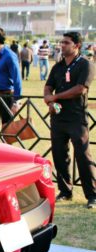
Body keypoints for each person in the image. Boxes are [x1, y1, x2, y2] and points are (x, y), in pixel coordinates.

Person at [43, 32, 96, 209]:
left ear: (77, 46)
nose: (62, 45)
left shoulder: (86, 65)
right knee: (59, 155)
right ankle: (65, 191)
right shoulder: (57, 67)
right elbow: (48, 86)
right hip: (58, 118)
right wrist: (50, 100)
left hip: (76, 117)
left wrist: (55, 97)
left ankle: (92, 195)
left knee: (82, 155)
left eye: (66, 42)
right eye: (61, 42)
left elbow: (80, 89)